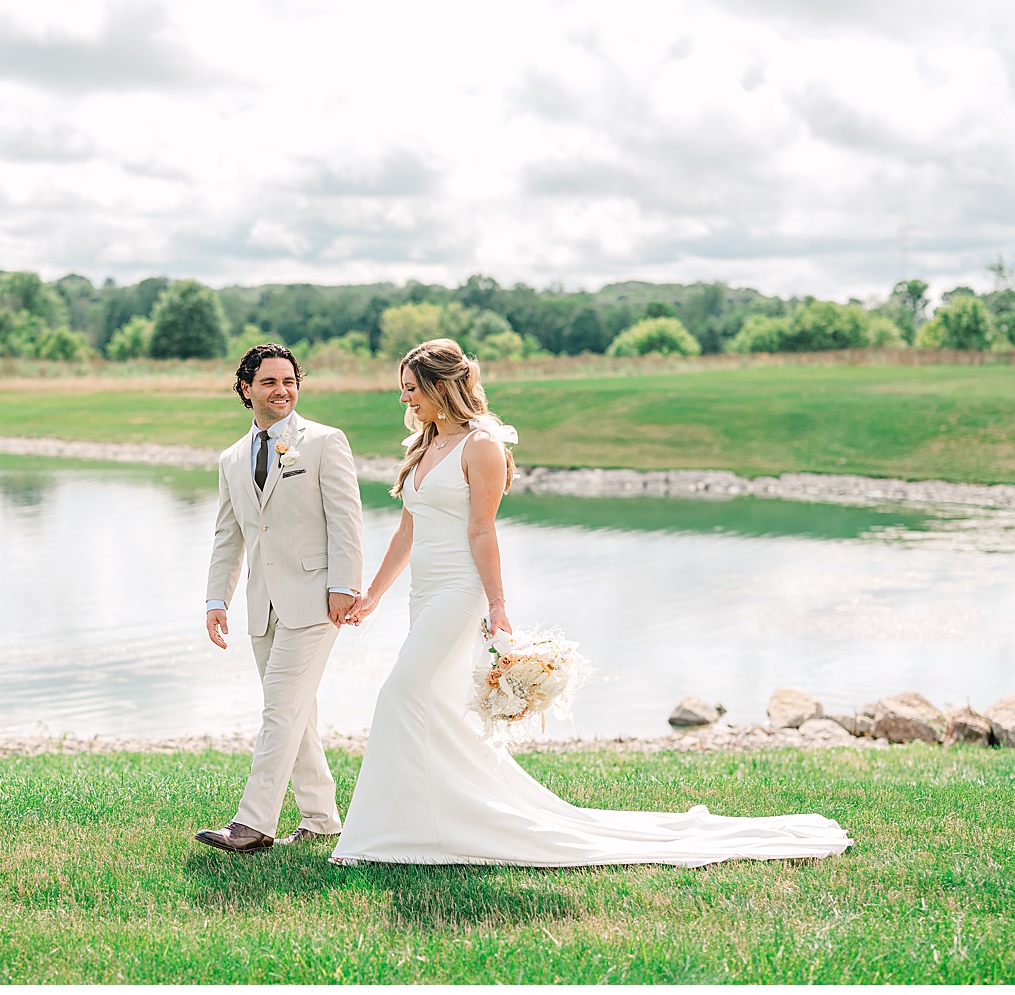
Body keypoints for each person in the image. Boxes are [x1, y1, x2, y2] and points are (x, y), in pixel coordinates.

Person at [332, 338, 853, 868]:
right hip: (423, 592)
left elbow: (483, 531)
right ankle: (426, 823)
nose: (406, 403)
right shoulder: (424, 446)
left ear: (442, 387)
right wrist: (374, 594)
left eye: (412, 392)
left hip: (460, 591)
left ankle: (381, 832)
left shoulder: (481, 445)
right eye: (403, 394)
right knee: (434, 707)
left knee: (399, 693)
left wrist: (498, 605)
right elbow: (406, 530)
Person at [195, 344, 364, 854]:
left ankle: (252, 824)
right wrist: (214, 601)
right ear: (246, 390)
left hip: (316, 601)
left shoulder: (323, 443)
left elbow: (346, 520)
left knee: (279, 712)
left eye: (289, 380)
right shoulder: (231, 459)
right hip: (261, 608)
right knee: (296, 713)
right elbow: (230, 536)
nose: (282, 390)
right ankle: (321, 817)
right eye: (269, 382)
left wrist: (345, 587)